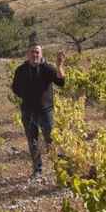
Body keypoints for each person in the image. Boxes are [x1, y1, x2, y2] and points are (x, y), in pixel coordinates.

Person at [11, 44, 65, 179]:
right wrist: (27, 98)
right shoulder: (21, 70)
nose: (35, 55)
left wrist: (59, 66)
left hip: (45, 112)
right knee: (32, 142)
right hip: (28, 112)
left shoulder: (47, 68)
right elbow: (15, 88)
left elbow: (61, 82)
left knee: (51, 141)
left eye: (37, 52)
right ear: (27, 54)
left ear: (41, 54)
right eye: (32, 52)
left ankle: (59, 169)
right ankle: (37, 170)